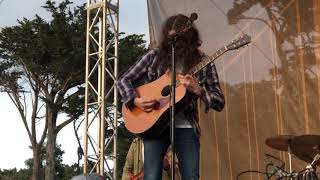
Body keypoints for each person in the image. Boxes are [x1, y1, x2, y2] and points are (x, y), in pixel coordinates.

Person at [117, 13, 225, 180]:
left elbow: (219, 101)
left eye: (179, 41)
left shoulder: (204, 62)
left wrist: (199, 91)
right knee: (151, 176)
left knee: (191, 176)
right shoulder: (154, 56)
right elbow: (123, 80)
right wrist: (135, 100)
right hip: (154, 127)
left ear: (189, 38)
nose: (174, 45)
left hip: (187, 127)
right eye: (170, 41)